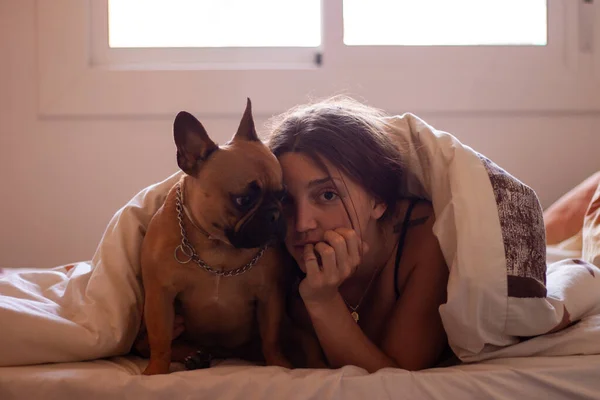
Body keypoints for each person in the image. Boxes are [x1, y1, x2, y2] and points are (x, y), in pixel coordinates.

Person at [266, 96, 450, 372]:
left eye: (327, 195)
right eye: (287, 200)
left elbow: (396, 379)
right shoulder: (271, 246)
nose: (302, 224)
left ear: (377, 200)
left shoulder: (424, 237)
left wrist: (322, 299)